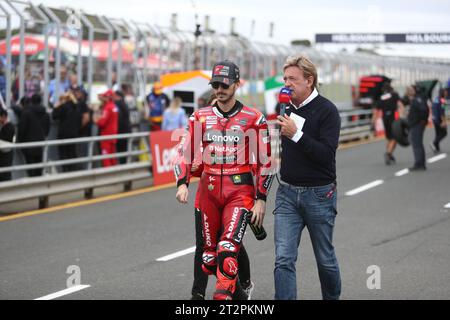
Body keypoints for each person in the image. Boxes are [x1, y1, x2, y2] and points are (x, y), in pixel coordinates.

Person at [174, 60, 273, 300]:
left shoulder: (254, 118)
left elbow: (265, 161)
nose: (219, 89)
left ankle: (226, 293)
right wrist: (182, 182)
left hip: (240, 191)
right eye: (216, 84)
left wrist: (261, 199)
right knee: (208, 257)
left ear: (237, 85)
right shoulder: (199, 116)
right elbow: (184, 151)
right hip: (207, 192)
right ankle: (237, 294)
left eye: (225, 84)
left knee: (227, 250)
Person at [275, 55, 341, 300]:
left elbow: (325, 155)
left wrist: (296, 134)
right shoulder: (284, 107)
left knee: (325, 259)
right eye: (285, 79)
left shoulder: (327, 110)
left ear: (309, 80)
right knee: (283, 258)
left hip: (319, 193)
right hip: (287, 193)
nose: (286, 83)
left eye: (292, 79)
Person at [52, 87, 89, 172]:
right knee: (72, 154)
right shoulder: (78, 107)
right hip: (74, 134)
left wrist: (58, 104)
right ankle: (73, 172)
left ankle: (66, 172)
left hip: (63, 135)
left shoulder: (64, 106)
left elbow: (54, 115)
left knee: (64, 155)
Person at [17, 93, 50, 177]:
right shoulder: (45, 114)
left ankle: (32, 186)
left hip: (28, 145)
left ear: (31, 101)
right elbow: (47, 130)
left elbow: (21, 131)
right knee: (39, 168)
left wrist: (20, 143)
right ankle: (38, 187)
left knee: (30, 169)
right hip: (40, 145)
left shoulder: (26, 113)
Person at [373, 83, 405, 165]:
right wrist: (402, 116)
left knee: (389, 138)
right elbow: (400, 105)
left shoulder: (381, 98)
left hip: (385, 119)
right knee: (394, 138)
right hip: (393, 119)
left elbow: (375, 111)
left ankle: (390, 154)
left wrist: (373, 123)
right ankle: (388, 154)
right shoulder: (394, 95)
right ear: (391, 89)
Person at [94, 89, 119, 167]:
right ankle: (115, 176)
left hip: (106, 137)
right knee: (112, 158)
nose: (103, 98)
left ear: (108, 97)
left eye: (104, 97)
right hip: (113, 136)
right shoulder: (114, 106)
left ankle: (109, 177)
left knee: (106, 159)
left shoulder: (107, 108)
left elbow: (102, 123)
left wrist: (95, 119)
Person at [406, 85, 429, 171]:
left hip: (417, 124)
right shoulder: (417, 98)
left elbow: (424, 110)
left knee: (417, 144)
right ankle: (420, 163)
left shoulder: (418, 99)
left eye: (411, 89)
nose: (410, 91)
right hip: (416, 124)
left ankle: (419, 164)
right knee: (416, 142)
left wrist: (422, 120)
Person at [115, 85, 132, 164]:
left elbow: (119, 118)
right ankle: (124, 163)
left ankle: (122, 164)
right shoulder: (123, 104)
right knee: (124, 150)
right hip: (126, 130)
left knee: (121, 150)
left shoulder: (118, 104)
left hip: (121, 131)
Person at [430, 88, 448, 154]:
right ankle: (433, 143)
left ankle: (437, 148)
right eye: (445, 92)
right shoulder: (442, 100)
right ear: (443, 93)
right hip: (439, 119)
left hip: (434, 118)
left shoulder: (436, 99)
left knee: (437, 134)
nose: (446, 93)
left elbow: (433, 108)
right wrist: (444, 122)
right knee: (444, 133)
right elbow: (442, 112)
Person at [0, 108, 15, 182]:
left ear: (3, 116)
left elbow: (6, 139)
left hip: (6, 153)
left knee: (5, 174)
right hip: (5, 154)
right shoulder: (6, 126)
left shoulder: (9, 127)